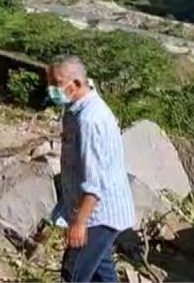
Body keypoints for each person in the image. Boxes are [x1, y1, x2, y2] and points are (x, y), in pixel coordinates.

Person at [48, 55, 134, 283]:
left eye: (55, 83)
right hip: (93, 210)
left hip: (98, 214)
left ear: (75, 84)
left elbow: (94, 181)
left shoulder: (90, 120)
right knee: (101, 274)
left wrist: (79, 223)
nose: (51, 89)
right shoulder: (76, 108)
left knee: (72, 273)